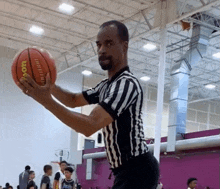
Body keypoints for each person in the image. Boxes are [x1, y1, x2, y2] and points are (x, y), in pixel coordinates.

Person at [18, 20, 160, 189]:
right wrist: (49, 87)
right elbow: (72, 100)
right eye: (98, 45)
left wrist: (45, 100)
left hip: (139, 169)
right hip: (124, 171)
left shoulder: (127, 84)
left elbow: (89, 126)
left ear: (124, 46)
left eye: (109, 43)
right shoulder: (106, 85)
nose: (101, 50)